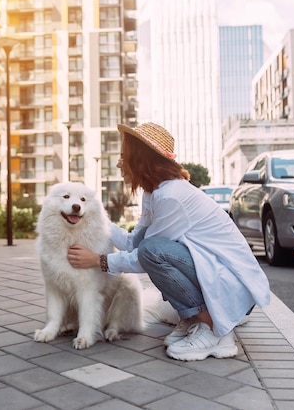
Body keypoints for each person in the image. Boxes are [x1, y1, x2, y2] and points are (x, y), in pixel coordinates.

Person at [67, 122, 270, 361]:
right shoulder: (153, 193)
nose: (119, 163)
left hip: (234, 288)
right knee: (150, 249)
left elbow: (145, 256)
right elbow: (134, 243)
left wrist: (98, 261)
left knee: (153, 251)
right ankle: (195, 320)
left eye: (124, 157)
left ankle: (215, 330)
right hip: (216, 277)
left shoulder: (171, 196)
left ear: (140, 160)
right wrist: (97, 219)